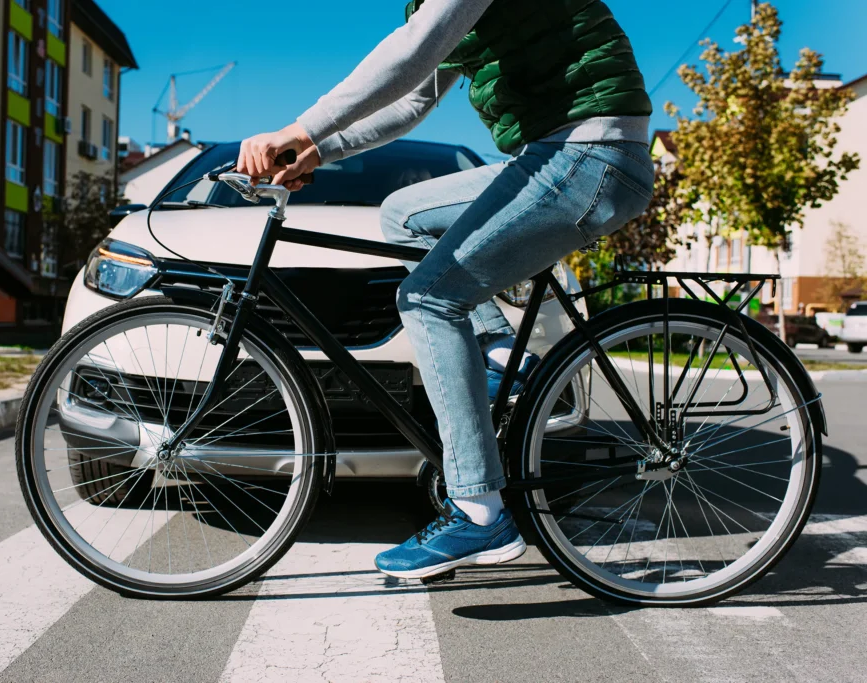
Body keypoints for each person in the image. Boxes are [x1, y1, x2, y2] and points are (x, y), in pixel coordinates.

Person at [238, 0, 655, 580]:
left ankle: (480, 513)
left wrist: (297, 128)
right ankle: (496, 352)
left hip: (590, 153)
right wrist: (318, 150)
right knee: (404, 214)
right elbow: (412, 101)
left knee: (426, 299)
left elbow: (413, 53)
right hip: (560, 151)